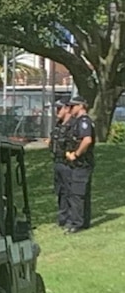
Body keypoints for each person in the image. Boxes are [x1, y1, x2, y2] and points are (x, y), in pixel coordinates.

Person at [64, 96, 95, 233]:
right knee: (81, 193)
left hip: (82, 162)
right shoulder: (78, 121)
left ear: (81, 106)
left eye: (73, 106)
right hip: (82, 163)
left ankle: (76, 223)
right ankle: (84, 222)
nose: (70, 109)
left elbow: (87, 140)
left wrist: (76, 154)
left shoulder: (84, 121)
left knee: (77, 193)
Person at [48, 99, 73, 228]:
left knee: (69, 191)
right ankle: (62, 218)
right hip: (57, 161)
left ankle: (70, 219)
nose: (57, 111)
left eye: (59, 108)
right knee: (60, 191)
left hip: (67, 163)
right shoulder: (58, 125)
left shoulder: (72, 125)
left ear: (67, 109)